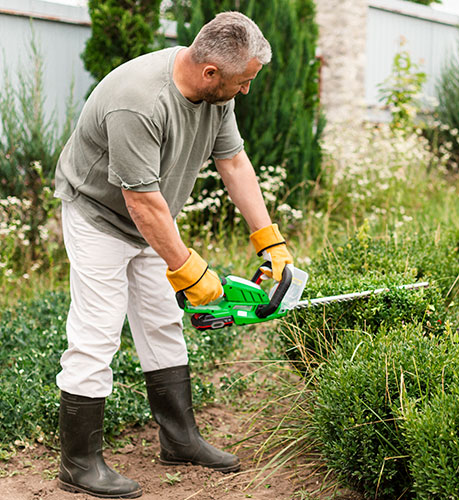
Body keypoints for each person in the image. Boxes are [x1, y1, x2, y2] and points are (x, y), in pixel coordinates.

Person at [53, 11, 293, 499]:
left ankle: (180, 439)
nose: (245, 91)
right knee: (97, 331)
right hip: (99, 214)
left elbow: (233, 161)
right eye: (242, 82)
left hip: (152, 218)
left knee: (162, 320)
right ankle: (78, 463)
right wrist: (187, 268)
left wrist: (268, 237)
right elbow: (139, 203)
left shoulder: (214, 94)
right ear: (211, 73)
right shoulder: (138, 102)